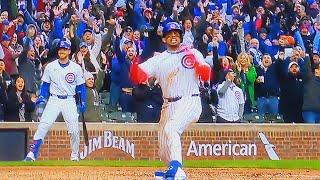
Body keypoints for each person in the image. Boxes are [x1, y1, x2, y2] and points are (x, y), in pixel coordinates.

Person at [130, 22, 211, 179]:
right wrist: (134, 61)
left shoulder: (192, 52)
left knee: (172, 129)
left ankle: (177, 170)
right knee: (163, 148)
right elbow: (138, 77)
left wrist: (198, 64)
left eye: (176, 33)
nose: (173, 36)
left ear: (181, 37)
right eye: (169, 34)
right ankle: (173, 171)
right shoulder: (159, 59)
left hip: (190, 100)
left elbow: (206, 75)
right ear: (164, 39)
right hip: (168, 104)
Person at [24, 40, 86, 161]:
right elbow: (45, 85)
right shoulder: (50, 66)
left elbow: (81, 87)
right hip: (54, 99)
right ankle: (32, 154)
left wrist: (82, 101)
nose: (61, 51)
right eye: (60, 49)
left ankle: (74, 155)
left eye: (64, 49)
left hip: (69, 100)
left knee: (73, 130)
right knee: (43, 125)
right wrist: (42, 96)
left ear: (69, 51)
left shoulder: (76, 68)